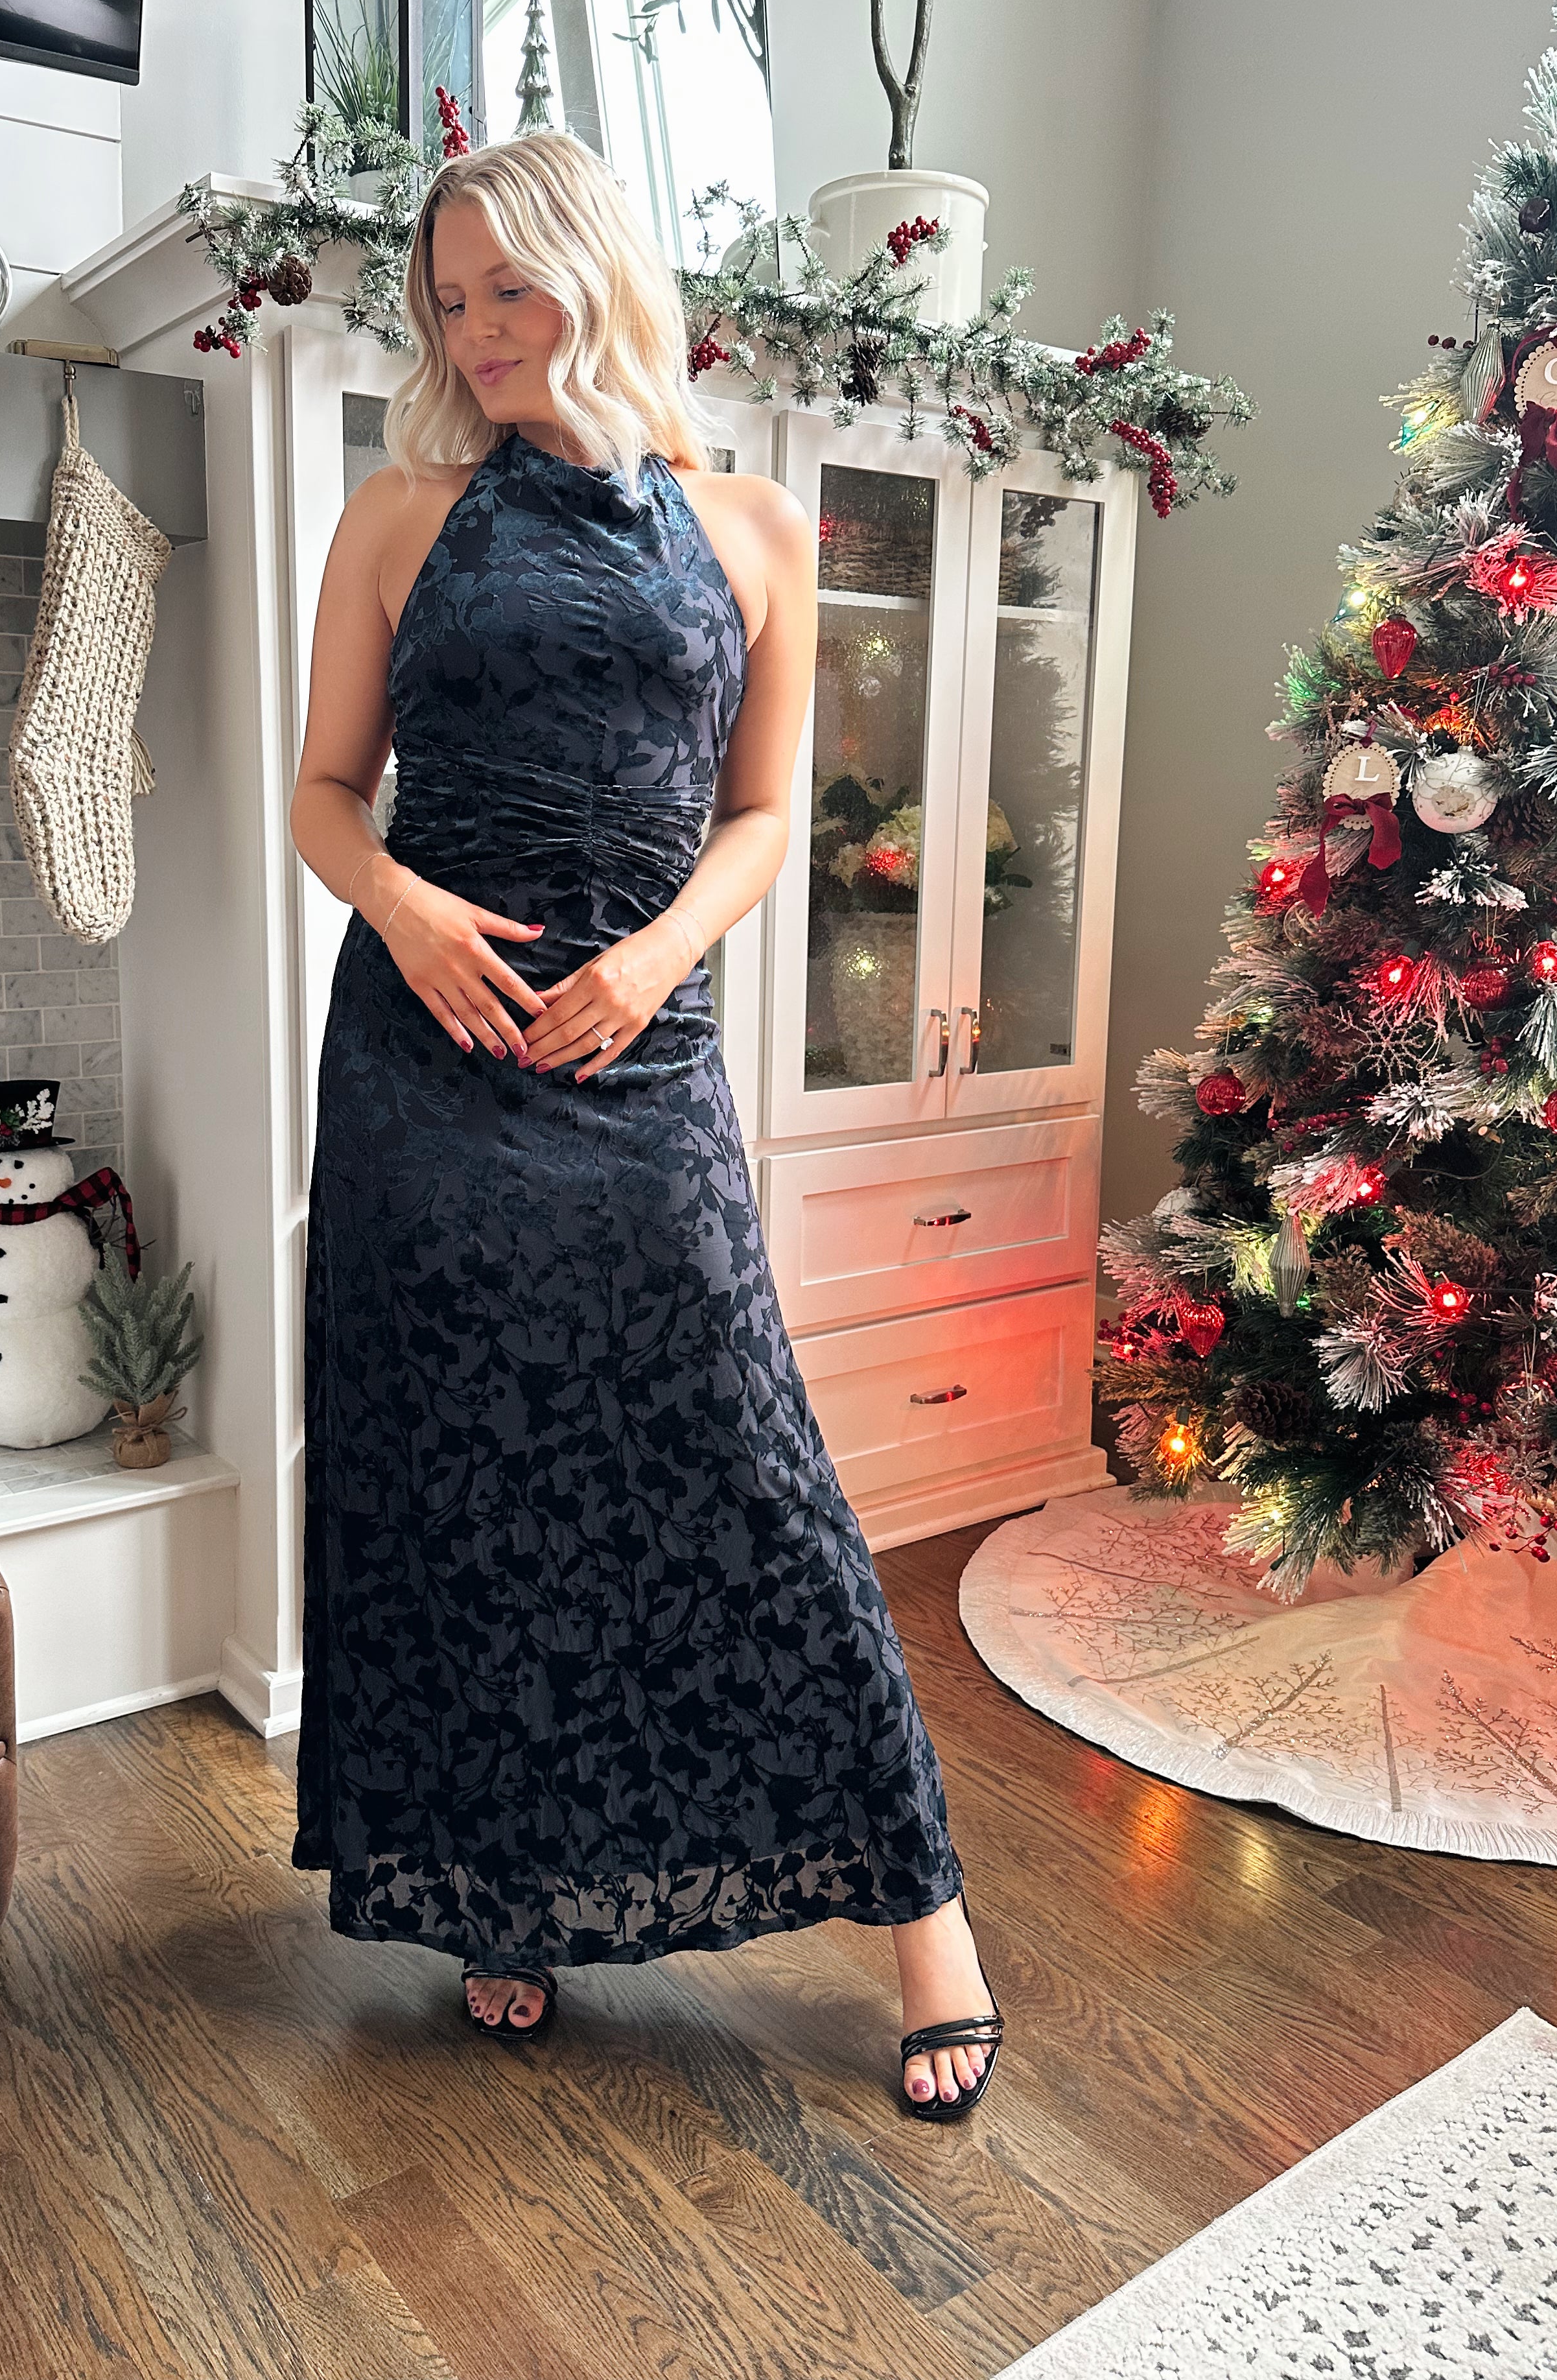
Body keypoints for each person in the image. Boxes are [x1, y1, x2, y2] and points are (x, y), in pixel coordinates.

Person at [287, 132, 1002, 2118]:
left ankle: (924, 1914)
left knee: (746, 1462)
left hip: (641, 1057)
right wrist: (411, 909)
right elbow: (326, 792)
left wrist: (660, 959)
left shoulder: (756, 526)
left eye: (511, 289)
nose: (480, 334)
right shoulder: (399, 518)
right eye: (448, 303)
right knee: (462, 1474)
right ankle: (500, 1891)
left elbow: (763, 814)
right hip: (423, 1067)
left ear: (598, 274)